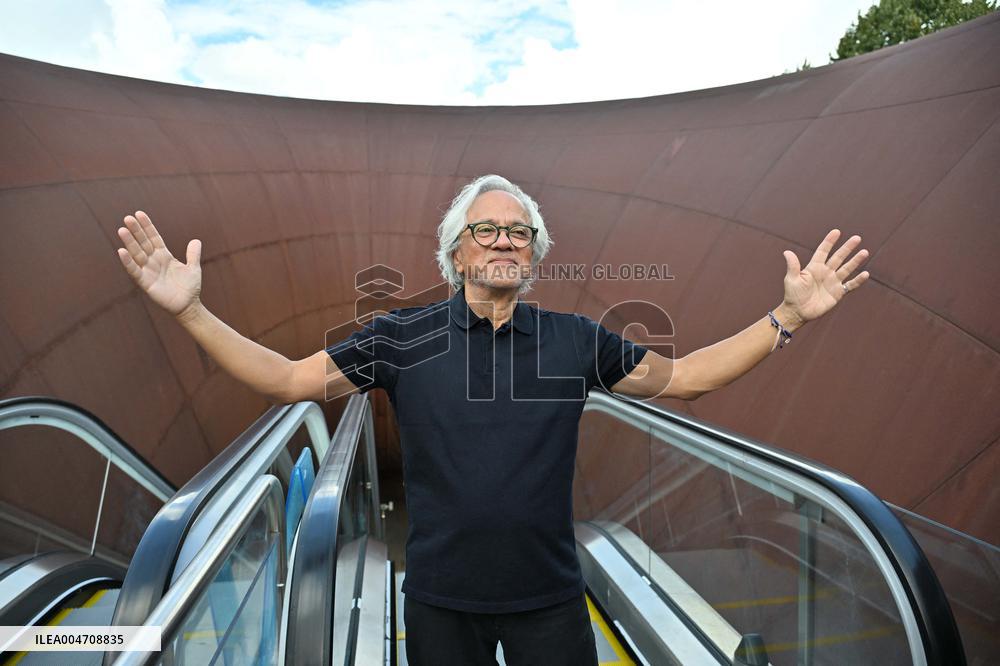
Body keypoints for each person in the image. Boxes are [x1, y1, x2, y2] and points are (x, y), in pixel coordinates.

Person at [115, 173, 869, 665]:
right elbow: (287, 379)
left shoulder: (576, 341)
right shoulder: (401, 339)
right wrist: (192, 312)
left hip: (551, 604)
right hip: (440, 608)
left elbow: (689, 378)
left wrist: (789, 317)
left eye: (520, 231)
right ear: (455, 252)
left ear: (534, 254)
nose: (505, 239)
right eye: (487, 229)